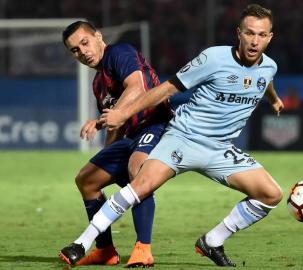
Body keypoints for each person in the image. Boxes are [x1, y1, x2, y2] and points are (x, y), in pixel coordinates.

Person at [60, 4, 284, 267]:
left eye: (261, 35)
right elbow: (166, 89)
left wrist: (275, 100)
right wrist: (118, 119)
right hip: (183, 137)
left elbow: (264, 79)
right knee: (139, 185)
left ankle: (212, 241)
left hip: (220, 149)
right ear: (239, 33)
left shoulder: (270, 66)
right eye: (249, 33)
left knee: (271, 194)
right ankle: (82, 243)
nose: (254, 40)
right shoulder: (213, 58)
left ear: (270, 37)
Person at [59, 21, 173, 267]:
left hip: (157, 124)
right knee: (87, 180)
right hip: (131, 137)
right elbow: (116, 124)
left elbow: (138, 87)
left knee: (137, 170)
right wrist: (107, 155)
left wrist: (105, 120)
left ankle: (144, 249)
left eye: (85, 42)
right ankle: (105, 251)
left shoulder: (119, 53)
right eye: (75, 50)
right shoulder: (98, 83)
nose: (83, 52)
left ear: (98, 37)